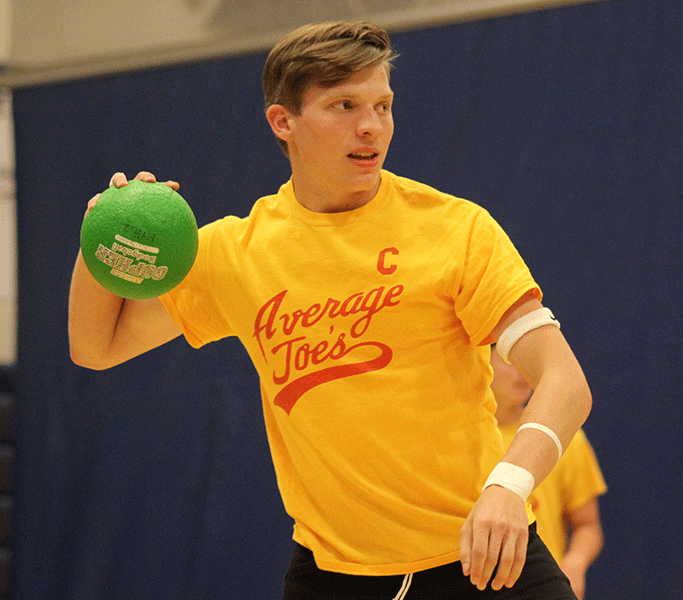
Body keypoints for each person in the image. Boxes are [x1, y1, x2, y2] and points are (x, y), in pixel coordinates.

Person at [68, 21, 592, 600]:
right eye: (344, 105)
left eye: (382, 106)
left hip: (482, 558)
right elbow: (96, 347)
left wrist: (509, 486)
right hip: (334, 577)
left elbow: (564, 381)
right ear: (283, 122)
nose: (371, 126)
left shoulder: (454, 230)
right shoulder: (235, 254)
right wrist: (104, 239)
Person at [490, 345, 606, 599]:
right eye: (509, 360)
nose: (522, 371)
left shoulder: (565, 438)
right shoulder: (454, 441)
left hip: (538, 589)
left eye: (526, 359)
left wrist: (575, 563)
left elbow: (588, 525)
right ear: (481, 364)